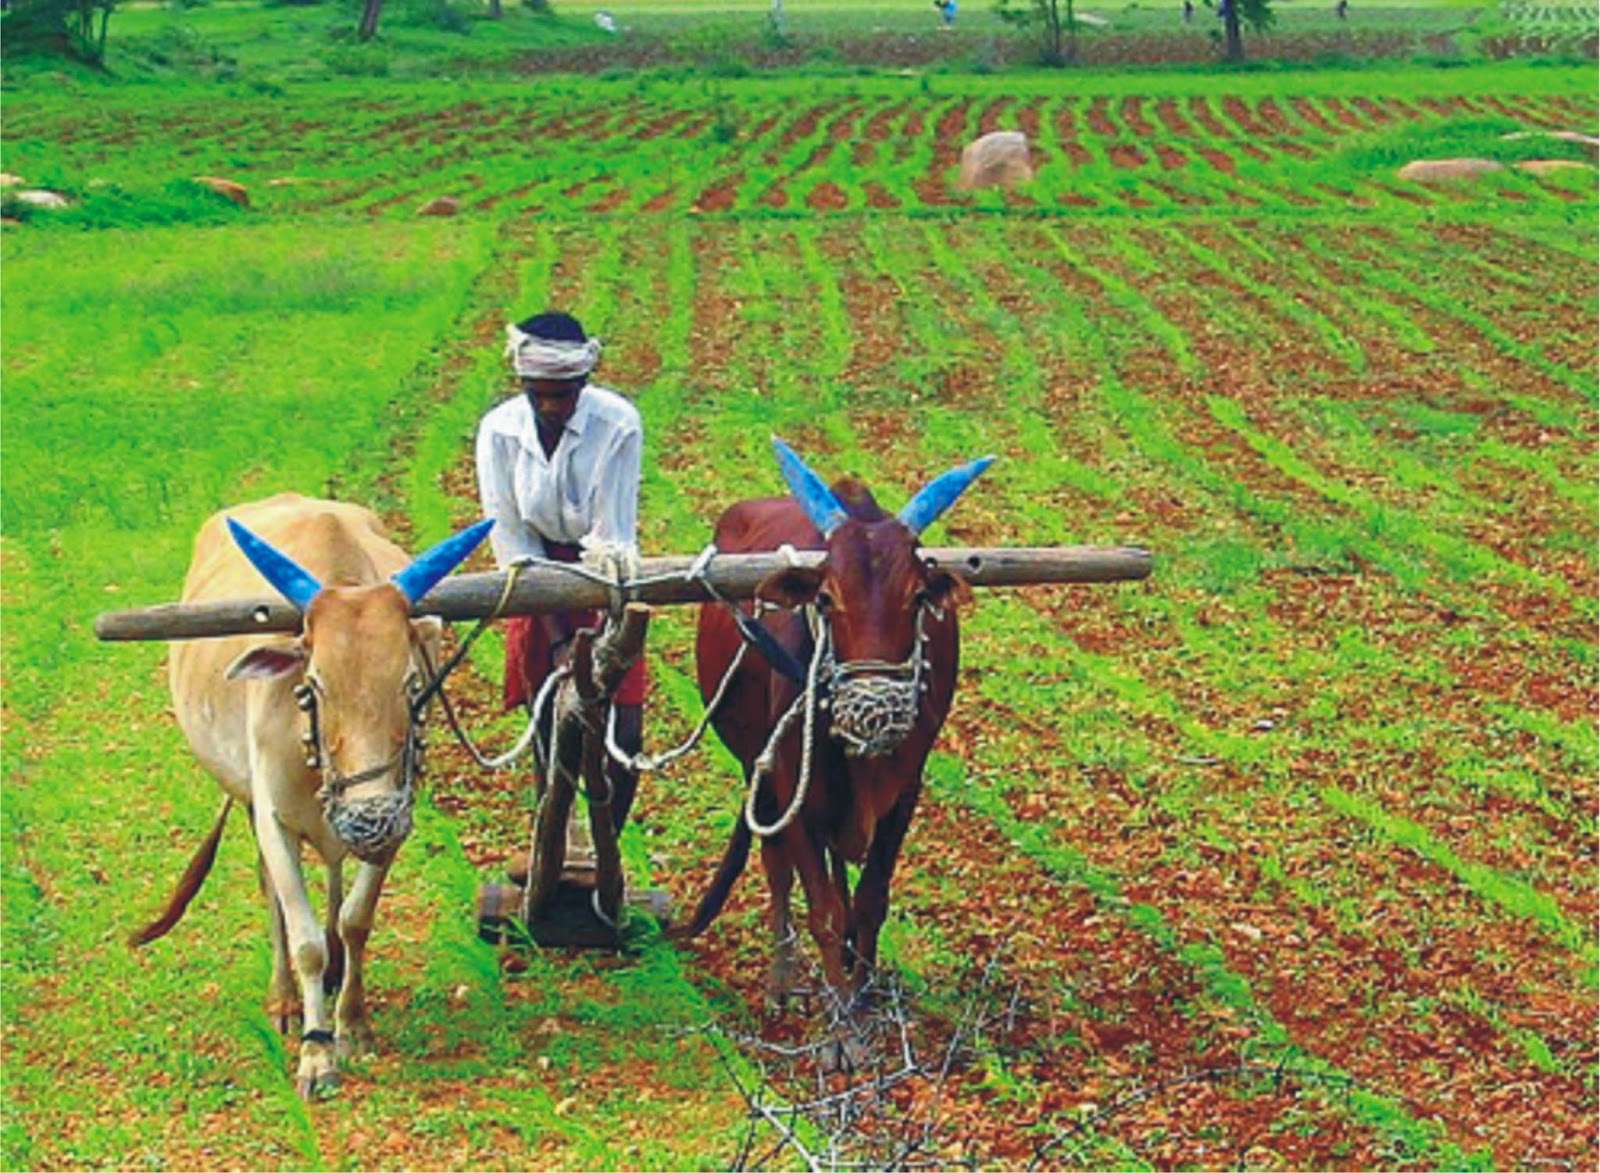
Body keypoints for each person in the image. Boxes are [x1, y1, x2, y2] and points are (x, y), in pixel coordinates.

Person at [475, 310, 646, 834]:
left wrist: (599, 640)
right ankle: (554, 832)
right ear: (524, 385)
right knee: (551, 715)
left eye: (563, 394)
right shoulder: (499, 430)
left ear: (584, 382)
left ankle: (605, 844)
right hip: (533, 577)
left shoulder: (617, 423)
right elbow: (510, 536)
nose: (551, 406)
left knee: (624, 726)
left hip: (604, 573)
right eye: (539, 394)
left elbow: (611, 534)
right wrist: (554, 639)